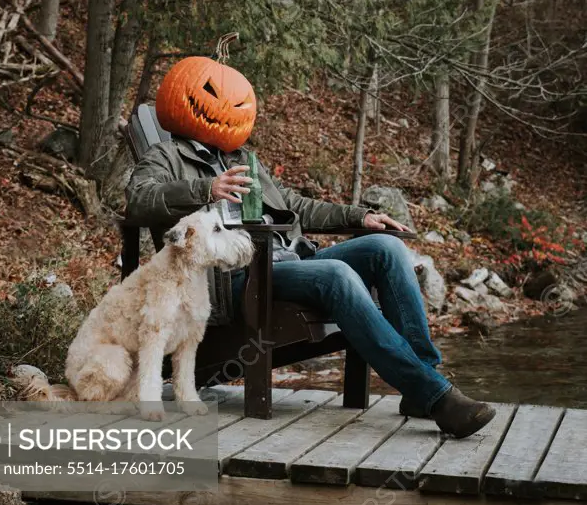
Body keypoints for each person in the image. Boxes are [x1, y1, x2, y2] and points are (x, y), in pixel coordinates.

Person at [125, 130, 496, 440]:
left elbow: (292, 205)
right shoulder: (166, 155)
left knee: (387, 247)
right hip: (238, 278)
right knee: (337, 274)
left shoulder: (242, 156)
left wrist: (359, 216)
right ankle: (434, 395)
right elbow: (138, 200)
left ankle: (424, 381)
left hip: (292, 261)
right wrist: (206, 188)